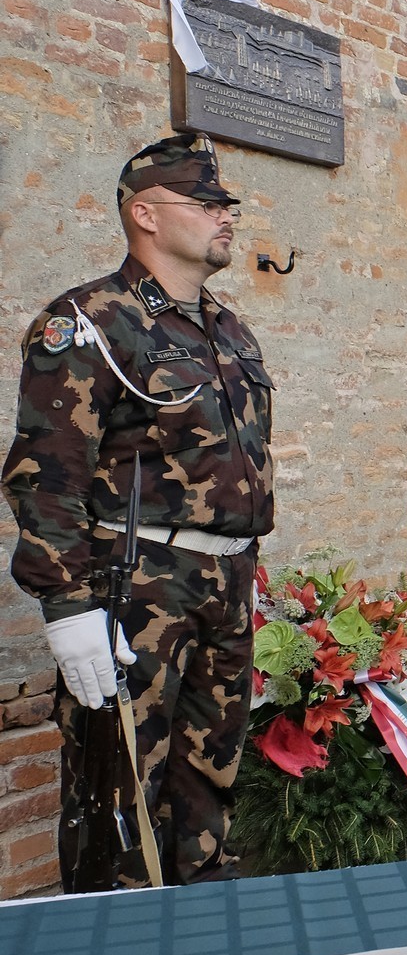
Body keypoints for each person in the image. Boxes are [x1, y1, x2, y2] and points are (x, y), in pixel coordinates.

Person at [5, 133, 271, 889]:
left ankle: (204, 928)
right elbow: (47, 472)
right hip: (139, 586)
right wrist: (67, 605)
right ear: (145, 214)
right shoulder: (91, 321)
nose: (226, 215)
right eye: (206, 202)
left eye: (226, 203)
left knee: (210, 779)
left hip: (226, 585)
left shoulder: (228, 330)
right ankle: (115, 944)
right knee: (120, 792)